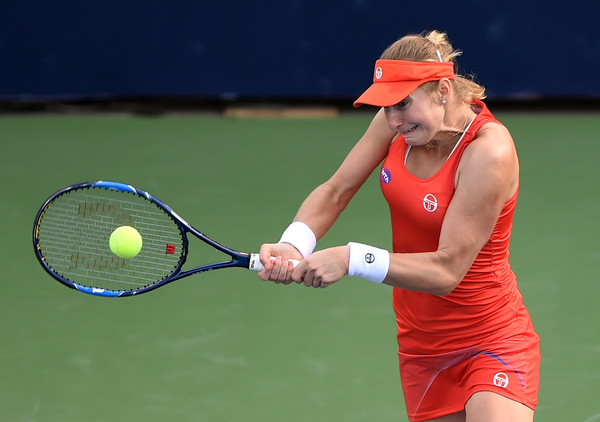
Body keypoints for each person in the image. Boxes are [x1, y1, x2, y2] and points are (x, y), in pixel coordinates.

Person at [257, 30, 540, 422]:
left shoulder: (488, 151)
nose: (393, 119)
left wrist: (353, 257)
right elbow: (337, 190)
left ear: (443, 89)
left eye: (403, 104)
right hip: (421, 345)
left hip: (490, 337)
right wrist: (294, 243)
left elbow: (446, 271)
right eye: (387, 107)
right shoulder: (397, 122)